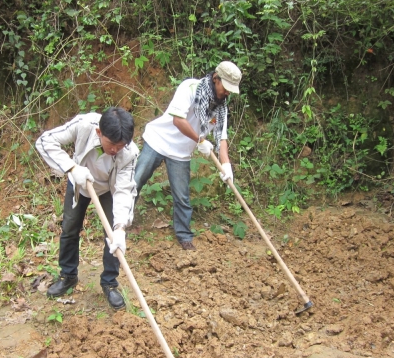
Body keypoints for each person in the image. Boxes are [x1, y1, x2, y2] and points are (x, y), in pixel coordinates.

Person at [36, 107, 138, 310]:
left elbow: (124, 190)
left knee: (112, 237)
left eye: (120, 146)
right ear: (99, 133)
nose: (115, 150)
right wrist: (72, 168)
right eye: (111, 144)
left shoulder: (129, 152)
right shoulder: (84, 125)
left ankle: (109, 283)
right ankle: (68, 275)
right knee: (70, 227)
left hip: (108, 189)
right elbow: (45, 141)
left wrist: (120, 227)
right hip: (79, 180)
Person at [134, 61, 242, 251]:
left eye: (230, 90)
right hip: (158, 140)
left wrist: (226, 165)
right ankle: (117, 221)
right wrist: (199, 140)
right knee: (136, 181)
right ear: (215, 78)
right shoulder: (191, 88)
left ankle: (184, 235)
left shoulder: (221, 109)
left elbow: (222, 139)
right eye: (225, 87)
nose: (227, 92)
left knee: (182, 197)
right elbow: (178, 120)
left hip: (181, 152)